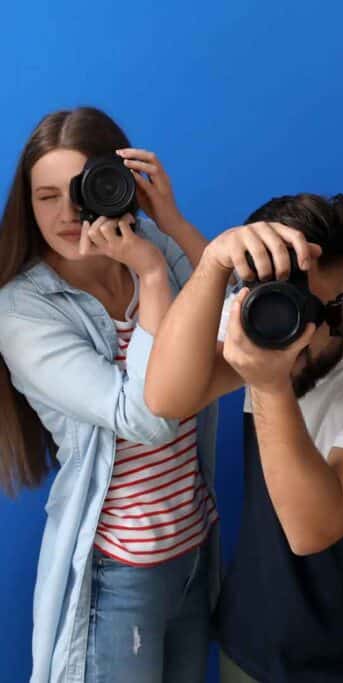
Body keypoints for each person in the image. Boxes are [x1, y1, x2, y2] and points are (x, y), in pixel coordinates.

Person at [145, 192, 343, 682]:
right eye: (278, 305)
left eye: (310, 310)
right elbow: (166, 398)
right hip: (250, 648)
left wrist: (270, 385)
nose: (293, 332)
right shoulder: (259, 314)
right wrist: (212, 266)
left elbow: (313, 527)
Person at [0, 107, 217, 683]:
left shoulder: (148, 244)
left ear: (113, 185)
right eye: (46, 197)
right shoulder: (23, 309)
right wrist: (151, 278)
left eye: (81, 191)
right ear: (27, 203)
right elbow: (147, 417)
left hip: (194, 548)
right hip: (121, 571)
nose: (67, 215)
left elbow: (238, 314)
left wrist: (170, 224)